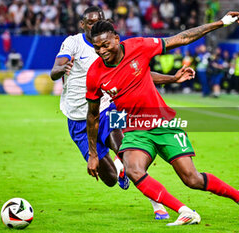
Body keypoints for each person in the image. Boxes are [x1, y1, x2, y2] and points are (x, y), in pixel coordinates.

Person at [86, 12, 239, 226]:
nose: (102, 51)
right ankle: (185, 211)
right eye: (97, 48)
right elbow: (93, 115)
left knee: (192, 179)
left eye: (105, 45)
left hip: (163, 122)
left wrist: (220, 23)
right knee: (133, 170)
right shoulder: (95, 74)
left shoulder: (139, 46)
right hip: (135, 128)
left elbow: (182, 38)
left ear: (116, 38)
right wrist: (93, 154)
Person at [50, 6, 195, 220]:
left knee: (126, 153)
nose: (92, 25)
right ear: (82, 25)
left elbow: (140, 73)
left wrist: (171, 78)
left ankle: (157, 204)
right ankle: (119, 170)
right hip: (78, 119)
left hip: (109, 108)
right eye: (89, 22)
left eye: (97, 21)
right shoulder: (73, 43)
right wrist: (62, 69)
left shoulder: (112, 47)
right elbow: (55, 70)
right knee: (108, 178)